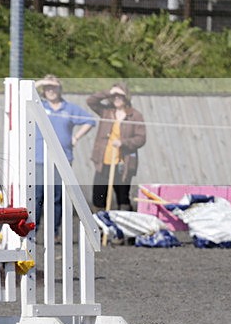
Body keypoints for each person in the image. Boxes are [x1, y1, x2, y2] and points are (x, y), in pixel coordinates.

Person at [33, 75, 95, 239]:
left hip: (62, 158)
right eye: (47, 87)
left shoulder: (69, 108)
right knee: (38, 195)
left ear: (60, 88)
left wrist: (76, 137)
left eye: (54, 87)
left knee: (57, 196)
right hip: (40, 157)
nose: (51, 91)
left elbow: (90, 120)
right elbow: (26, 94)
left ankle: (54, 232)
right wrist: (42, 82)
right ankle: (33, 230)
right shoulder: (39, 105)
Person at [87, 83, 146, 211]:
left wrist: (123, 142)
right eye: (114, 96)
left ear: (126, 97)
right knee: (98, 197)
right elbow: (91, 101)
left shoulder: (135, 115)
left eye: (120, 96)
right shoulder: (106, 111)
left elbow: (141, 138)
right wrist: (108, 91)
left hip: (122, 164)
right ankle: (99, 228)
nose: (117, 99)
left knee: (122, 198)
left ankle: (123, 226)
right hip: (103, 163)